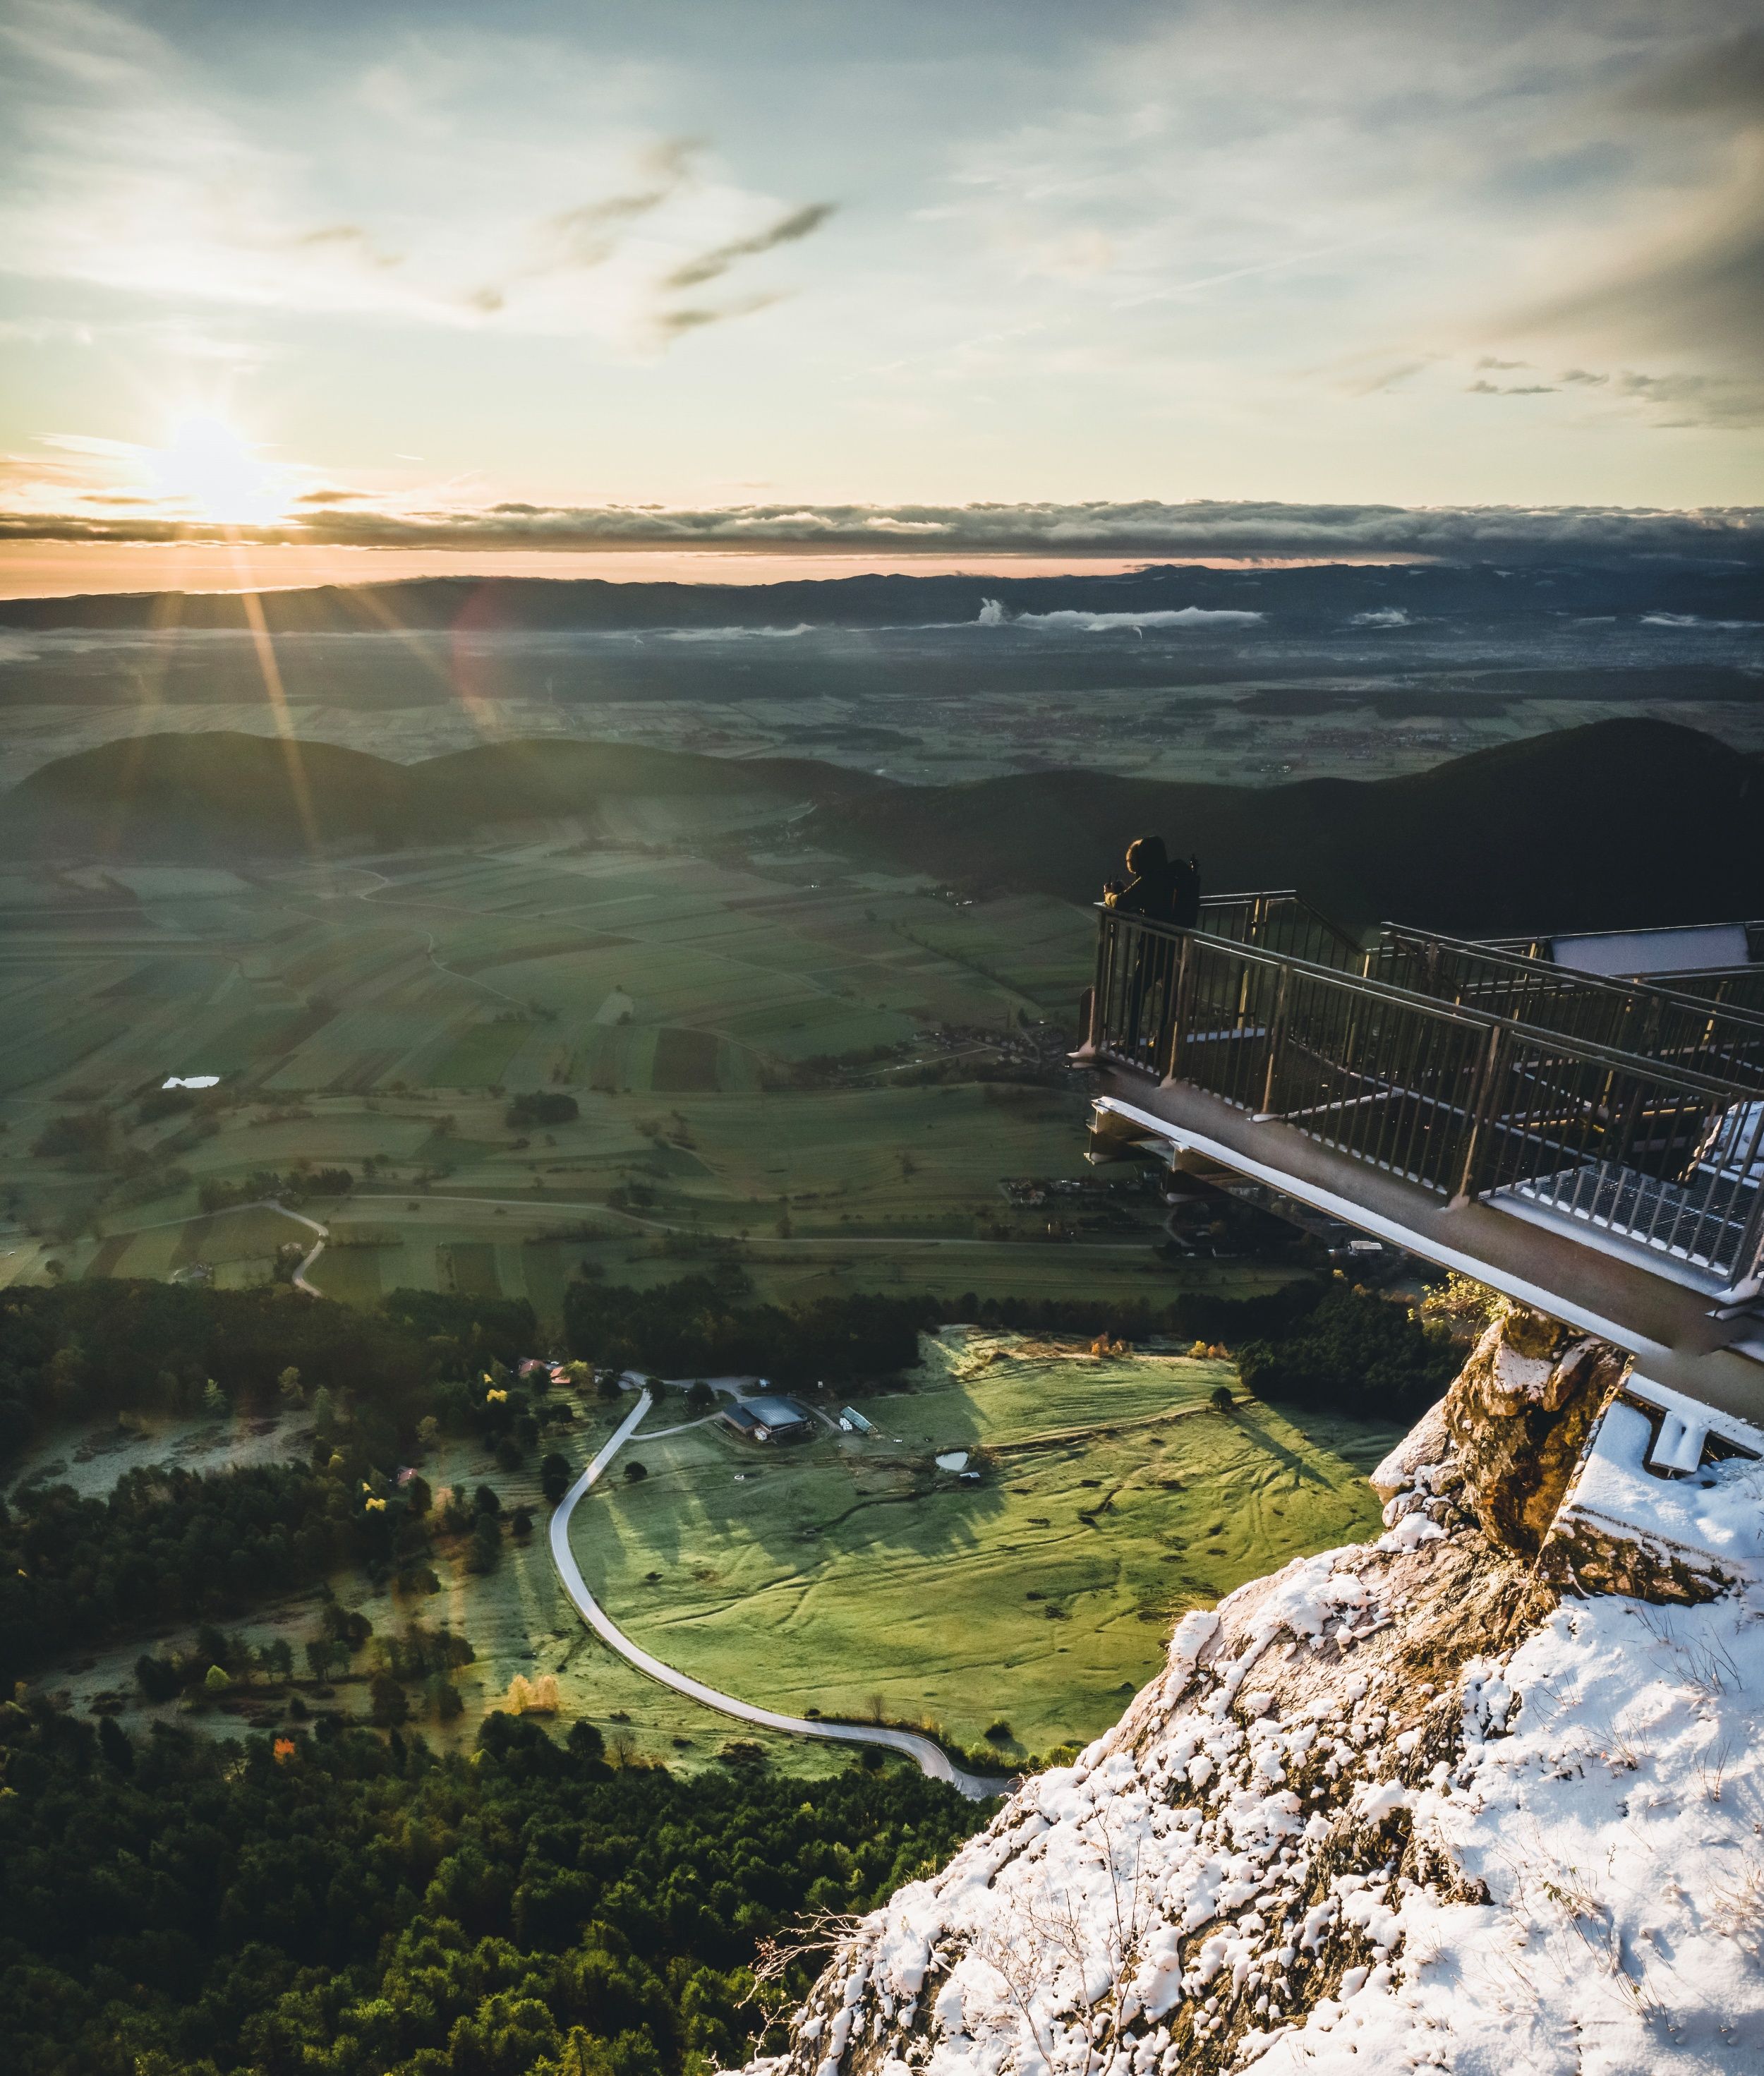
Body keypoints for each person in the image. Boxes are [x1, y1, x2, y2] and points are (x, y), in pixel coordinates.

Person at [1103, 835, 1200, 927]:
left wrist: (1109, 894)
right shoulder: (1176, 871)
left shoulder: (1150, 879)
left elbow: (1120, 902)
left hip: (1156, 938)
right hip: (1181, 936)